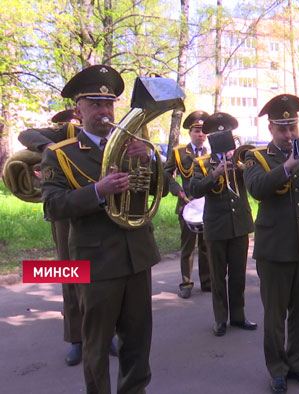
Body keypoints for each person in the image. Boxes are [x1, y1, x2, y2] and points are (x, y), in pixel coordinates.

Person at [41, 65, 162, 393]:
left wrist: (149, 163)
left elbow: (156, 191)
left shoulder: (131, 147)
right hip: (95, 264)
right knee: (96, 347)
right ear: (78, 111)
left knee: (138, 343)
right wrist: (98, 191)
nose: (104, 111)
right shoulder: (60, 156)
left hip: (136, 257)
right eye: (95, 104)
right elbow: (52, 206)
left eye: (109, 104)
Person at [243, 94, 299, 393]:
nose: (289, 134)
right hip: (274, 249)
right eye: (282, 128)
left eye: (293, 127)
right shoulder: (255, 157)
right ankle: (278, 369)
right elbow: (257, 189)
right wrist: (289, 165)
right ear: (271, 129)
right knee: (275, 314)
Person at [19, 109, 118, 366]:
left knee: (107, 276)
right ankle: (76, 339)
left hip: (104, 210)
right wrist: (50, 147)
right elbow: (25, 134)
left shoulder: (112, 135)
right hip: (68, 216)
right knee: (72, 274)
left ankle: (108, 335)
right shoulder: (66, 133)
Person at [189, 112, 257, 335]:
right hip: (216, 226)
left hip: (239, 224)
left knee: (238, 275)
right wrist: (214, 174)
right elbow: (194, 189)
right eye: (217, 135)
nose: (222, 139)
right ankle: (220, 319)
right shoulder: (202, 163)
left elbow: (255, 181)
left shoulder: (242, 159)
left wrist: (241, 165)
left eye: (226, 134)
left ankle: (239, 316)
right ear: (210, 139)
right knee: (218, 276)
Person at [164, 110, 211, 299]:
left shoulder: (211, 152)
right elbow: (167, 174)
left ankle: (207, 281)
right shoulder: (179, 152)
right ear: (190, 132)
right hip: (187, 204)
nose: (200, 134)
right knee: (188, 247)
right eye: (197, 131)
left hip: (207, 206)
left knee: (207, 245)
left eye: (203, 131)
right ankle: (186, 283)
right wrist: (177, 190)